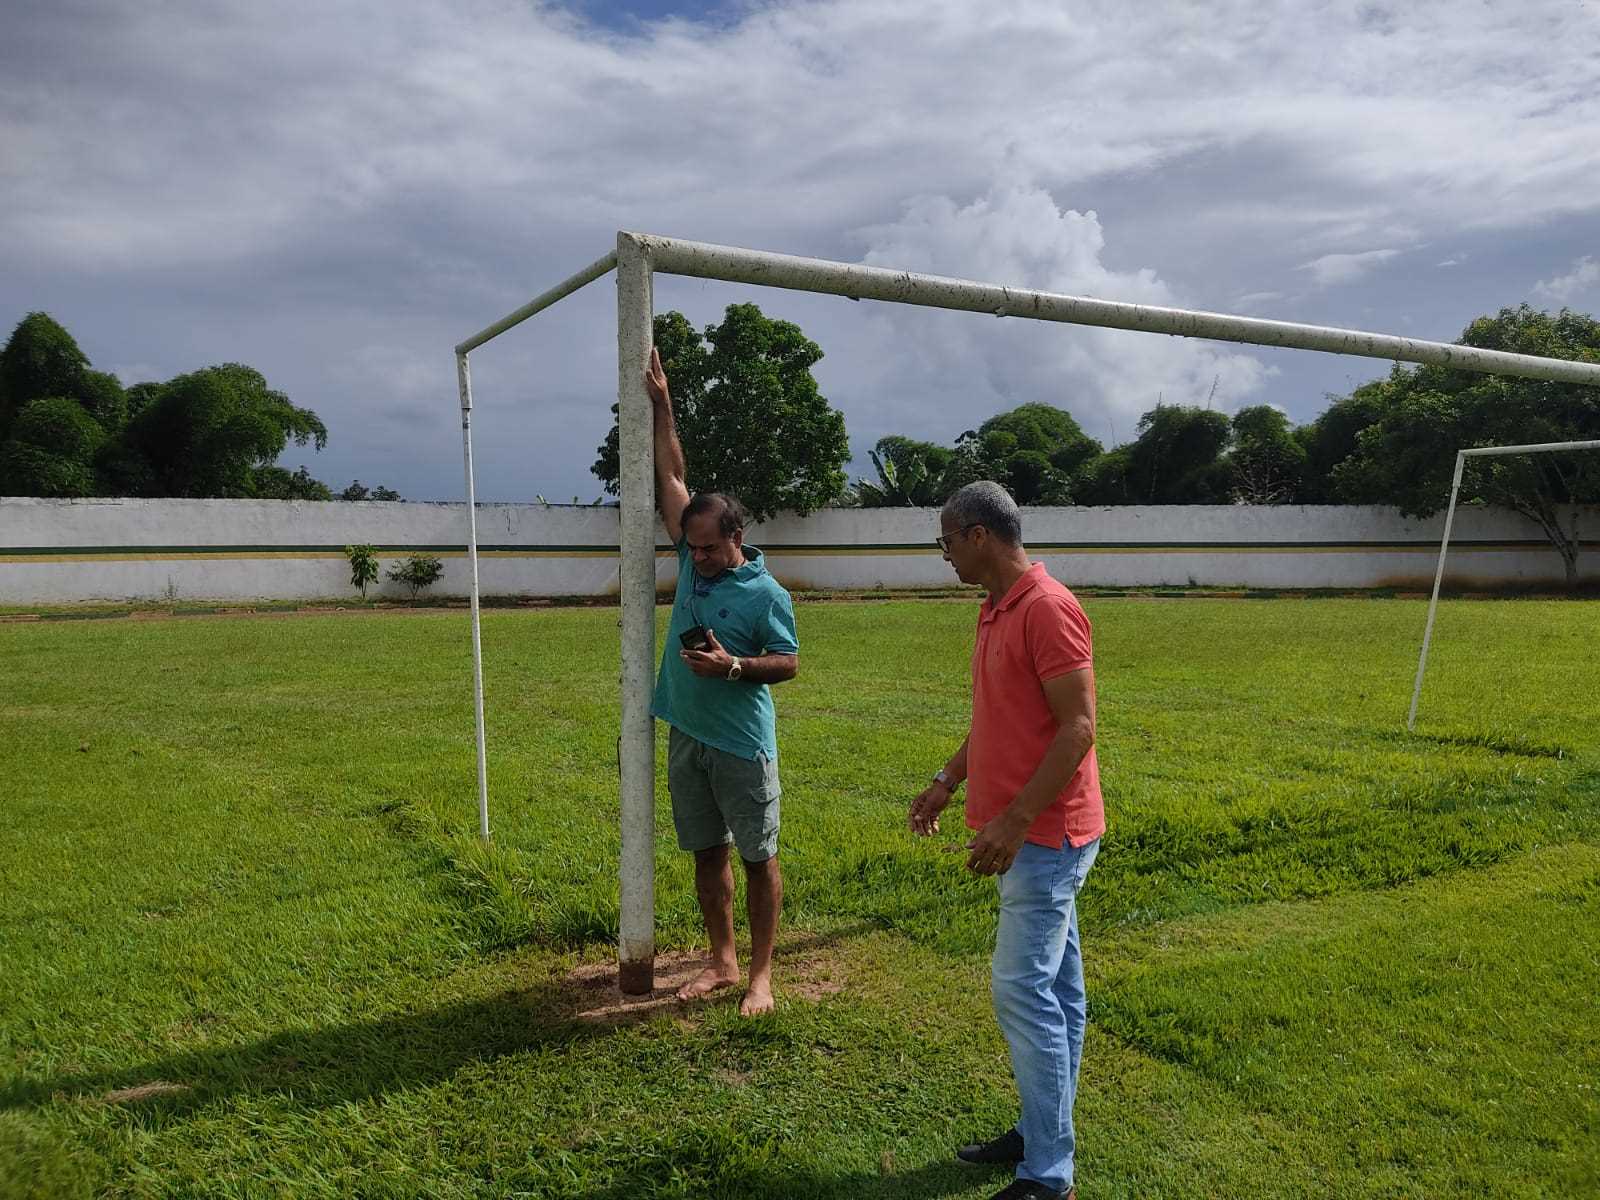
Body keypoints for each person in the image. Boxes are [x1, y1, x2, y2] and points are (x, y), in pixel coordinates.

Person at [908, 480, 1105, 1200]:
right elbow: (1000, 718)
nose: (946, 555)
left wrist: (1016, 819)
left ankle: (1049, 1175)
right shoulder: (995, 609)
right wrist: (947, 780)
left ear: (978, 536)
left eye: (946, 541)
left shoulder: (1048, 609)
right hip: (1033, 834)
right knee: (1057, 991)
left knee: (1022, 989)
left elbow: (1078, 728)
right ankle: (1040, 1128)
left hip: (1048, 837)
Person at [644, 346, 800, 1018]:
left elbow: (789, 664)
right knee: (706, 856)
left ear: (735, 534)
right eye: (691, 547)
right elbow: (672, 471)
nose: (697, 559)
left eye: (708, 548)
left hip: (741, 742)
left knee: (759, 861)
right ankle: (721, 962)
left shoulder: (768, 594)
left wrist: (733, 665)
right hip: (687, 735)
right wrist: (663, 406)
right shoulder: (690, 551)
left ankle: (761, 977)